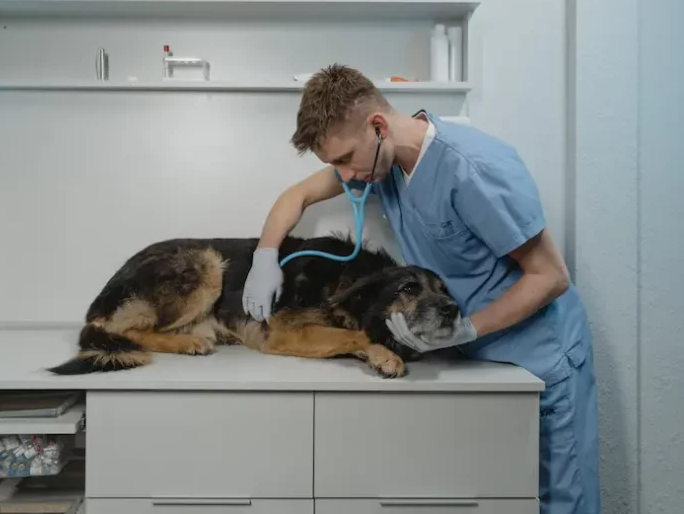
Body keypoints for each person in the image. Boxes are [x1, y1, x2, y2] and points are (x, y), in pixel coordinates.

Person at [241, 64, 601, 514]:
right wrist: (265, 257)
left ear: (377, 127)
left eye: (345, 159)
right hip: (473, 360)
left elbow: (551, 276)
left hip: (537, 356)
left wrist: (467, 329)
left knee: (559, 501)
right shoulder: (380, 163)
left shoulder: (474, 168)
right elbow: (296, 197)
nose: (345, 175)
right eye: (333, 165)